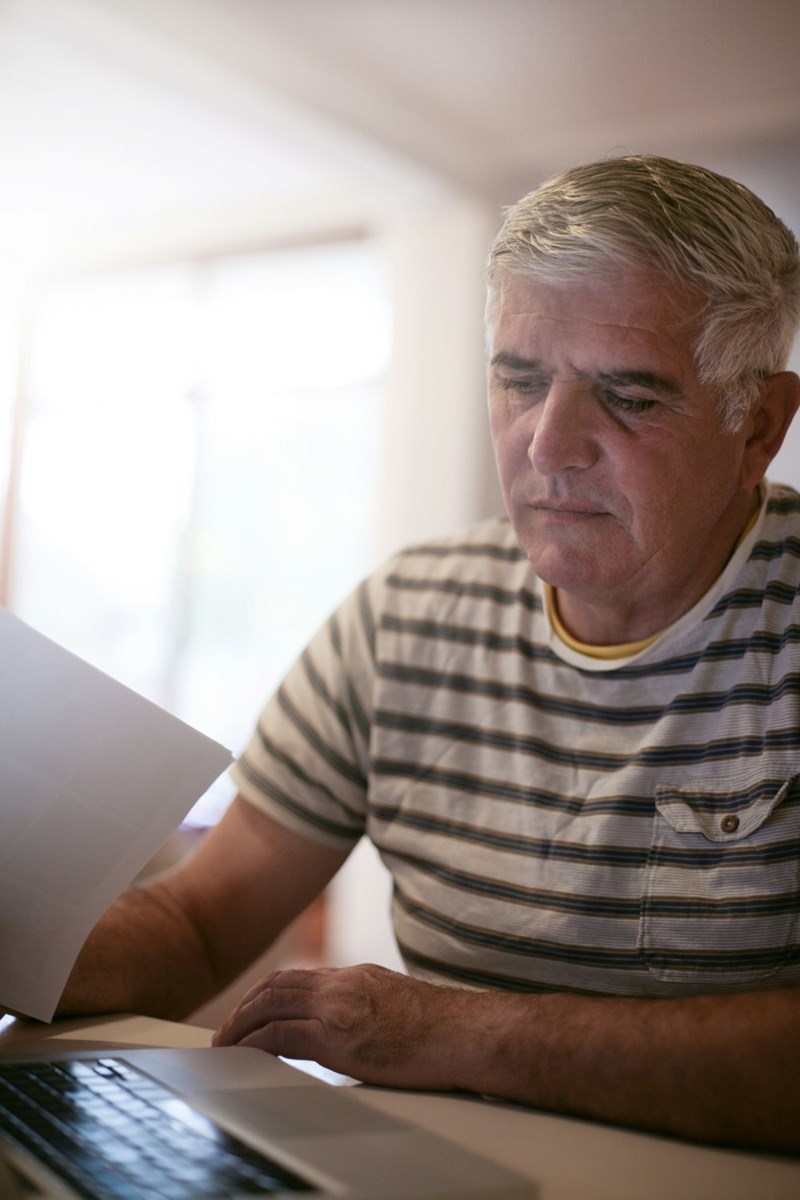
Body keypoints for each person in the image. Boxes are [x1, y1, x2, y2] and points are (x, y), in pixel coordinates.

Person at [57, 155, 800, 1154]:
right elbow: (197, 925)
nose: (545, 446)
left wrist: (462, 1033)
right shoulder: (401, 616)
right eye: (519, 379)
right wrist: (29, 936)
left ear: (755, 426)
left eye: (626, 396)